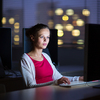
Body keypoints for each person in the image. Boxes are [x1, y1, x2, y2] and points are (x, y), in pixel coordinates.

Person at [20, 23, 83, 88]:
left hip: (53, 91)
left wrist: (79, 78)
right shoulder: (25, 59)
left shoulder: (46, 56)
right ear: (33, 38)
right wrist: (55, 82)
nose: (45, 40)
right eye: (42, 37)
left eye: (47, 37)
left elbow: (59, 77)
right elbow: (30, 85)